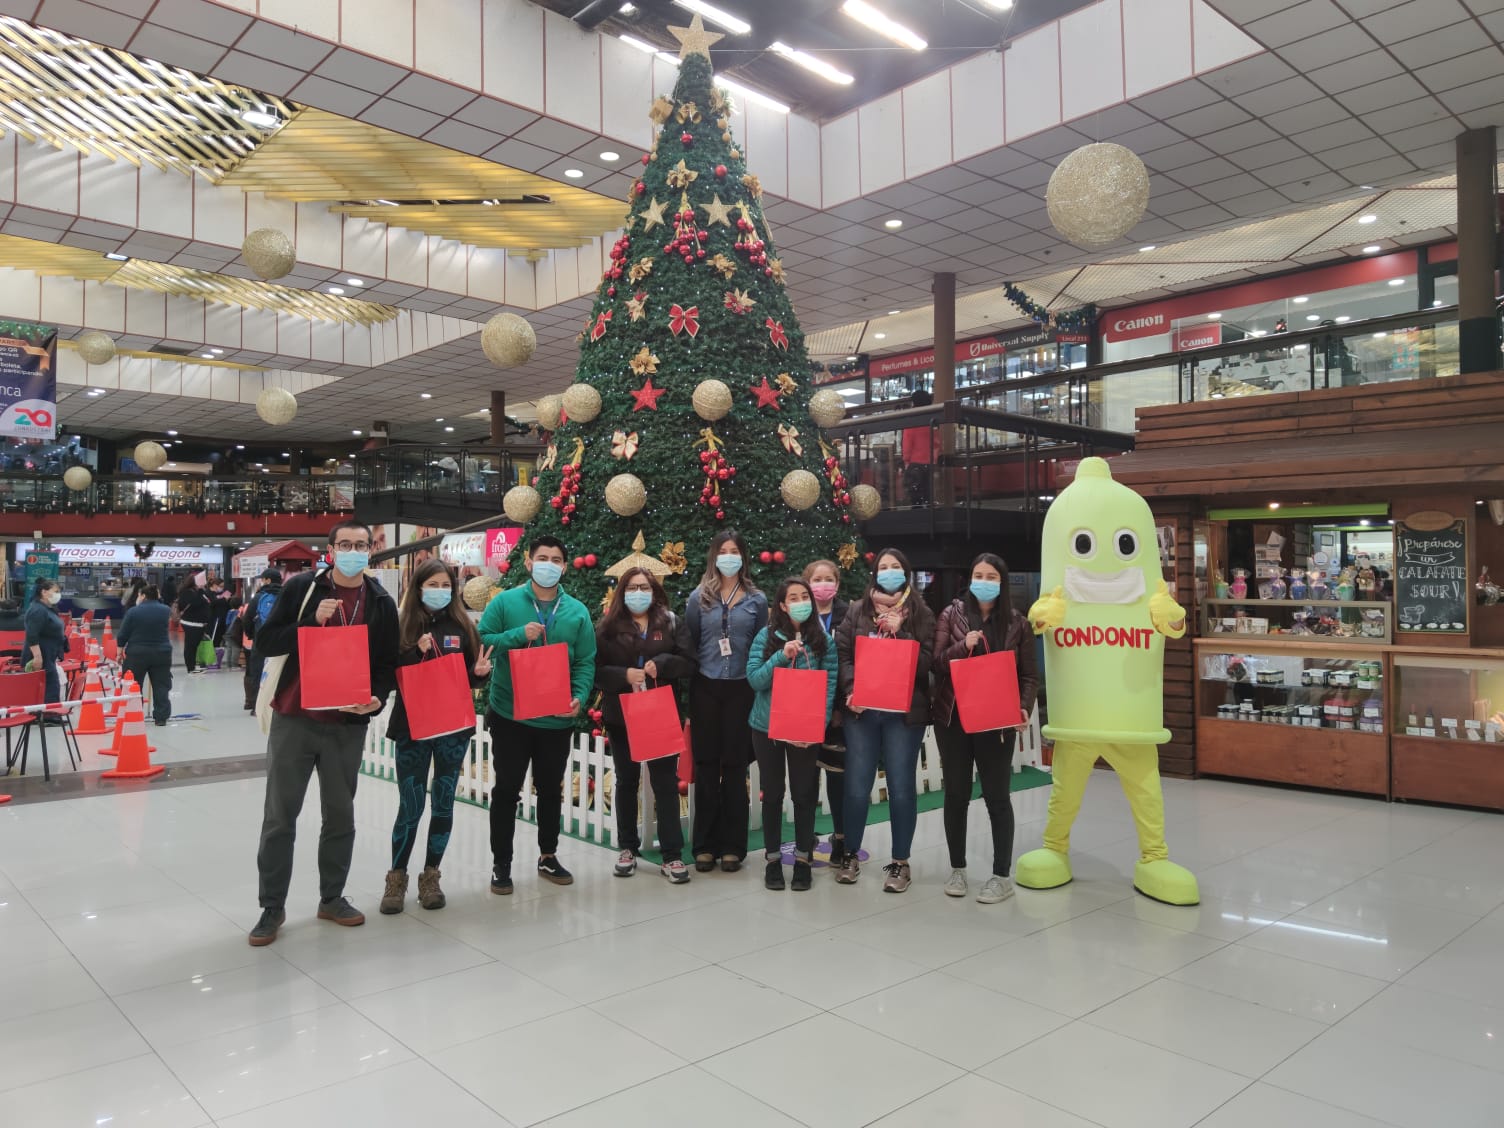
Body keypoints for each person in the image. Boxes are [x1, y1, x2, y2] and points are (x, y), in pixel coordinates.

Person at [247, 520, 398, 947]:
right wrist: (310, 623)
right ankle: (271, 907)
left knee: (340, 816)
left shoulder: (381, 601)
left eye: (361, 545)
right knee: (280, 817)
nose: (353, 551)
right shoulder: (302, 590)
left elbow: (386, 664)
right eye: (345, 544)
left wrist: (377, 699)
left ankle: (331, 897)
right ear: (330, 549)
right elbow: (265, 642)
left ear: (370, 551)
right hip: (295, 718)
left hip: (346, 725)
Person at [478, 536, 597, 894]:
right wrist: (518, 634)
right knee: (506, 789)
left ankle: (548, 854)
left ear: (564, 566)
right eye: (542, 558)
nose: (549, 564)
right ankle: (502, 863)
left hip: (556, 718)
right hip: (510, 714)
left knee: (549, 789)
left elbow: (585, 660)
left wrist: (579, 696)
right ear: (529, 563)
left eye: (556, 559)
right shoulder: (506, 602)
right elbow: (482, 641)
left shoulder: (576, 611)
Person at [381, 559, 492, 914]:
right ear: (418, 587)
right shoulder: (400, 625)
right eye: (433, 584)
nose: (440, 591)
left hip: (451, 730)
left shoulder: (462, 625)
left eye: (446, 585)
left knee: (443, 802)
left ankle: (431, 876)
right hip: (412, 728)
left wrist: (479, 674)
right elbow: (388, 672)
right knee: (410, 805)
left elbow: (469, 675)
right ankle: (396, 878)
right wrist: (417, 652)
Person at [931, 554, 1039, 904]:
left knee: (997, 797)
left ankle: (1000, 875)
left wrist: (1023, 706)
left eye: (991, 575)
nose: (984, 580)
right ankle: (958, 869)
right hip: (955, 719)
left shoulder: (1018, 623)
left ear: (1002, 581)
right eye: (978, 574)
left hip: (996, 722)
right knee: (956, 794)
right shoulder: (952, 614)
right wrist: (965, 645)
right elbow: (937, 662)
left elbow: (1028, 675)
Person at [835, 548, 935, 892]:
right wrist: (851, 690)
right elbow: (844, 655)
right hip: (862, 713)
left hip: (904, 716)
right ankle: (850, 854)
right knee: (857, 787)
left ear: (905, 573)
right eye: (883, 567)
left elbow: (927, 665)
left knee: (902, 787)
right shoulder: (857, 611)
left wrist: (903, 631)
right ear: (874, 574)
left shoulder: (921, 614)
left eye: (895, 567)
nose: (888, 572)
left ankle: (900, 862)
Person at [595, 566, 694, 884]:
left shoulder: (670, 622)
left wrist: (662, 664)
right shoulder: (608, 627)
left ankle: (672, 855)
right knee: (626, 780)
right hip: (622, 714)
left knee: (665, 782)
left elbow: (689, 661)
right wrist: (623, 675)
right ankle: (627, 848)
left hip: (660, 712)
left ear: (654, 591)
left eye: (645, 587)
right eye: (633, 587)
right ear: (623, 591)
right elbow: (595, 671)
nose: (639, 593)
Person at [680, 530, 767, 873]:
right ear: (714, 556)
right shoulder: (698, 598)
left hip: (741, 689)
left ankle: (733, 846)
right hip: (706, 687)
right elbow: (691, 642)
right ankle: (704, 845)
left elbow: (761, 644)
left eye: (735, 551)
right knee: (705, 765)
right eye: (723, 551)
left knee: (734, 766)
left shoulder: (757, 600)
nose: (728, 556)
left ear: (743, 557)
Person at [746, 577, 838, 892]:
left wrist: (817, 724)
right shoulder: (766, 636)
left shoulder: (823, 640)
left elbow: (829, 685)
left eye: (805, 596)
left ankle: (802, 860)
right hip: (767, 727)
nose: (800, 602)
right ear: (782, 605)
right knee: (772, 794)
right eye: (793, 597)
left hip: (804, 730)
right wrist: (781, 656)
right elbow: (755, 680)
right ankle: (772, 860)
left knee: (803, 794)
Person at [803, 558, 850, 868]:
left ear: (837, 583)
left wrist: (837, 708)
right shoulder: (799, 614)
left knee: (836, 779)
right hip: (804, 709)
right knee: (806, 777)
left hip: (838, 713)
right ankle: (806, 837)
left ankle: (840, 838)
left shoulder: (849, 615)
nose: (822, 584)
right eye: (816, 579)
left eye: (828, 579)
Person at [117, 585, 174, 726]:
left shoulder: (133, 612)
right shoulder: (166, 610)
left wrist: (119, 651)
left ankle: (135, 714)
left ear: (142, 596)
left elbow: (124, 632)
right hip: (162, 653)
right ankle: (161, 717)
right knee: (161, 685)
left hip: (137, 653)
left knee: (134, 685)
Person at [242, 569, 283, 711]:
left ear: (268, 580)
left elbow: (247, 619)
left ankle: (256, 706)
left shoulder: (259, 597)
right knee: (279, 672)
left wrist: (251, 634)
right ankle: (277, 704)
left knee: (258, 671)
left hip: (261, 641)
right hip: (281, 641)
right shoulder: (286, 595)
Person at [23, 578, 66, 707]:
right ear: (44, 592)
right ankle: (47, 714)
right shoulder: (38, 610)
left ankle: (51, 713)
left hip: (49, 654)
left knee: (51, 683)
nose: (58, 594)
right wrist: (37, 657)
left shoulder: (48, 609)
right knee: (47, 684)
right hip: (41, 655)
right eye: (55, 591)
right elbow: (32, 635)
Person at [175, 570, 213, 674]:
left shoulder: (198, 591)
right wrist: (200, 590)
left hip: (199, 624)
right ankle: (190, 667)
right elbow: (195, 603)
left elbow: (208, 600)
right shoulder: (186, 592)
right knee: (190, 646)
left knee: (194, 645)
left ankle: (193, 665)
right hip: (191, 623)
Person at [901, 387, 934, 506]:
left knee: (915, 498)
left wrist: (906, 460)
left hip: (915, 463)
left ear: (914, 403)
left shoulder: (913, 419)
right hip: (932, 463)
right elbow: (938, 442)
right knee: (929, 496)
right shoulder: (934, 419)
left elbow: (907, 442)